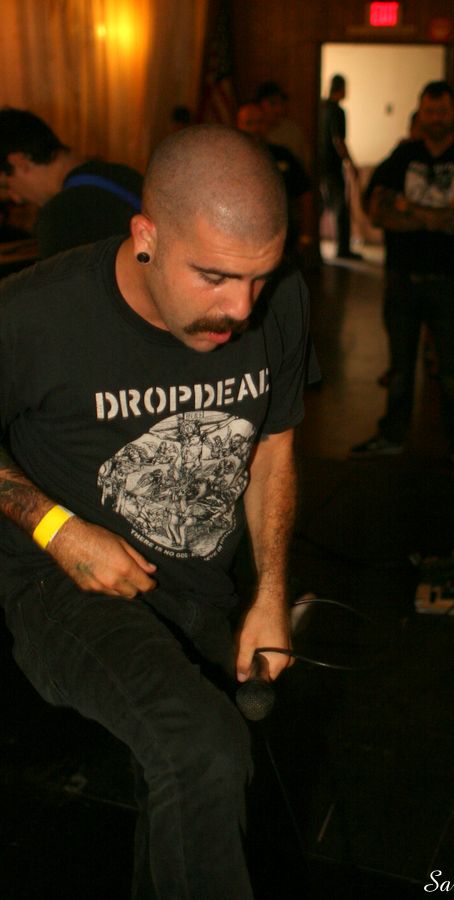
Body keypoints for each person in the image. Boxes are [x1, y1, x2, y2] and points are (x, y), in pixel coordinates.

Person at [0, 125, 317, 898]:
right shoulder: (36, 314)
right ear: (146, 237)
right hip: (61, 584)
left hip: (198, 581)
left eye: (259, 277)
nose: (240, 308)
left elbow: (272, 446)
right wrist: (55, 527)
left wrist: (271, 591)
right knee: (200, 745)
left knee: (198, 776)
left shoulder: (280, 300)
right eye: (214, 276)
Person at [351, 81, 454, 477]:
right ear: (421, 112)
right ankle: (391, 435)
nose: (436, 118)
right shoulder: (403, 155)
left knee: (453, 370)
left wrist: (408, 209)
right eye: (429, 111)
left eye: (442, 111)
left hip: (451, 281)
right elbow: (378, 212)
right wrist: (442, 215)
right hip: (403, 279)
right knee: (399, 367)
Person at [0, 108, 143, 258]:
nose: (16, 198)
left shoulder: (61, 215)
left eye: (7, 186)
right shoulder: (122, 174)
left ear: (19, 161)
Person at [237, 101, 312, 257]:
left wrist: (305, 235)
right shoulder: (227, 159)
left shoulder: (283, 155)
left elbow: (305, 194)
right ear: (238, 125)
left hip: (285, 244)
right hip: (241, 244)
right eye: (249, 123)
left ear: (267, 125)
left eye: (260, 122)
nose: (255, 128)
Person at [319, 74, 362, 261]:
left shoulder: (321, 108)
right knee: (341, 208)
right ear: (341, 88)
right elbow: (338, 140)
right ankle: (343, 249)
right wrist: (350, 162)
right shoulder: (337, 111)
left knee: (324, 206)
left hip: (320, 165)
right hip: (331, 166)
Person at [255, 81, 310, 171]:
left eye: (281, 104)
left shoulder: (292, 131)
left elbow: (303, 164)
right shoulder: (252, 131)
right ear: (258, 105)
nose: (278, 109)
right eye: (272, 104)